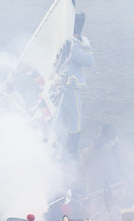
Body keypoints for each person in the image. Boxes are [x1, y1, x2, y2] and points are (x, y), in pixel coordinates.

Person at [59, 12, 94, 157]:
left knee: (59, 117)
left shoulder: (64, 40)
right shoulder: (74, 45)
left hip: (60, 84)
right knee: (76, 118)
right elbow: (89, 61)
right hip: (70, 86)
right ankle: (71, 151)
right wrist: (87, 47)